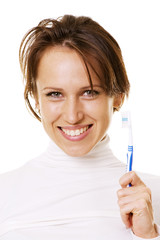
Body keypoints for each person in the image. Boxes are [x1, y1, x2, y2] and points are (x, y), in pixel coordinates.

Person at [0, 15, 159, 240]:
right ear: (36, 98)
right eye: (55, 94)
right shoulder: (3, 192)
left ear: (117, 97)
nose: (73, 116)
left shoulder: (152, 198)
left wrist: (149, 235)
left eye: (89, 92)